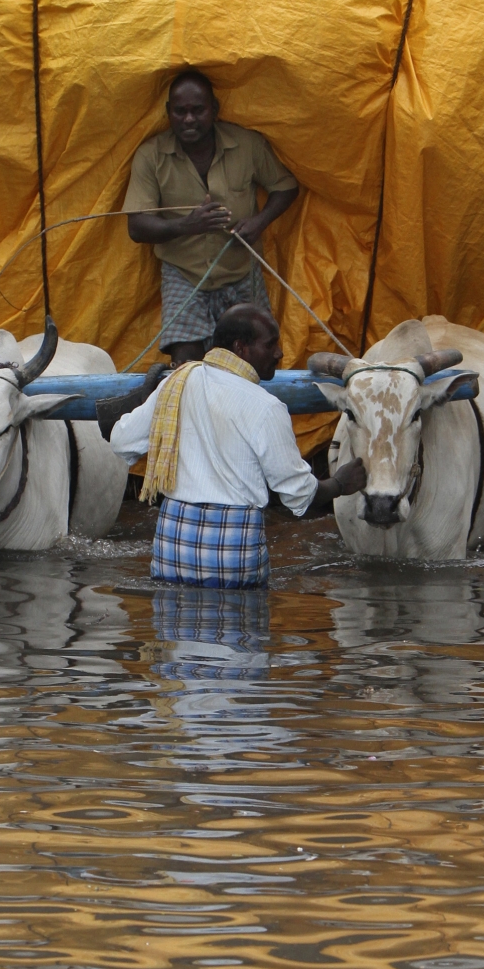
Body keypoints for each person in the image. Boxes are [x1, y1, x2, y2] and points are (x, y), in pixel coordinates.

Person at [103, 304, 367, 588]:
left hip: (172, 548)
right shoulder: (267, 407)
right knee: (239, 615)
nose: (279, 353)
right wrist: (339, 484)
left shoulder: (175, 385)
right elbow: (298, 493)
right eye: (270, 345)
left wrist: (148, 401)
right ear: (241, 348)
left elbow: (121, 441)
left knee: (171, 616)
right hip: (232, 556)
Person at [125, 69, 300, 365]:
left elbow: (285, 187)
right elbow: (137, 226)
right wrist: (187, 225)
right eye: (180, 111)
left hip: (240, 270)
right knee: (187, 360)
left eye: (198, 110)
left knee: (256, 357)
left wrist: (259, 222)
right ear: (168, 112)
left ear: (215, 109)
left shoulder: (247, 145)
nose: (189, 119)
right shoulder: (150, 156)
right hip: (184, 275)